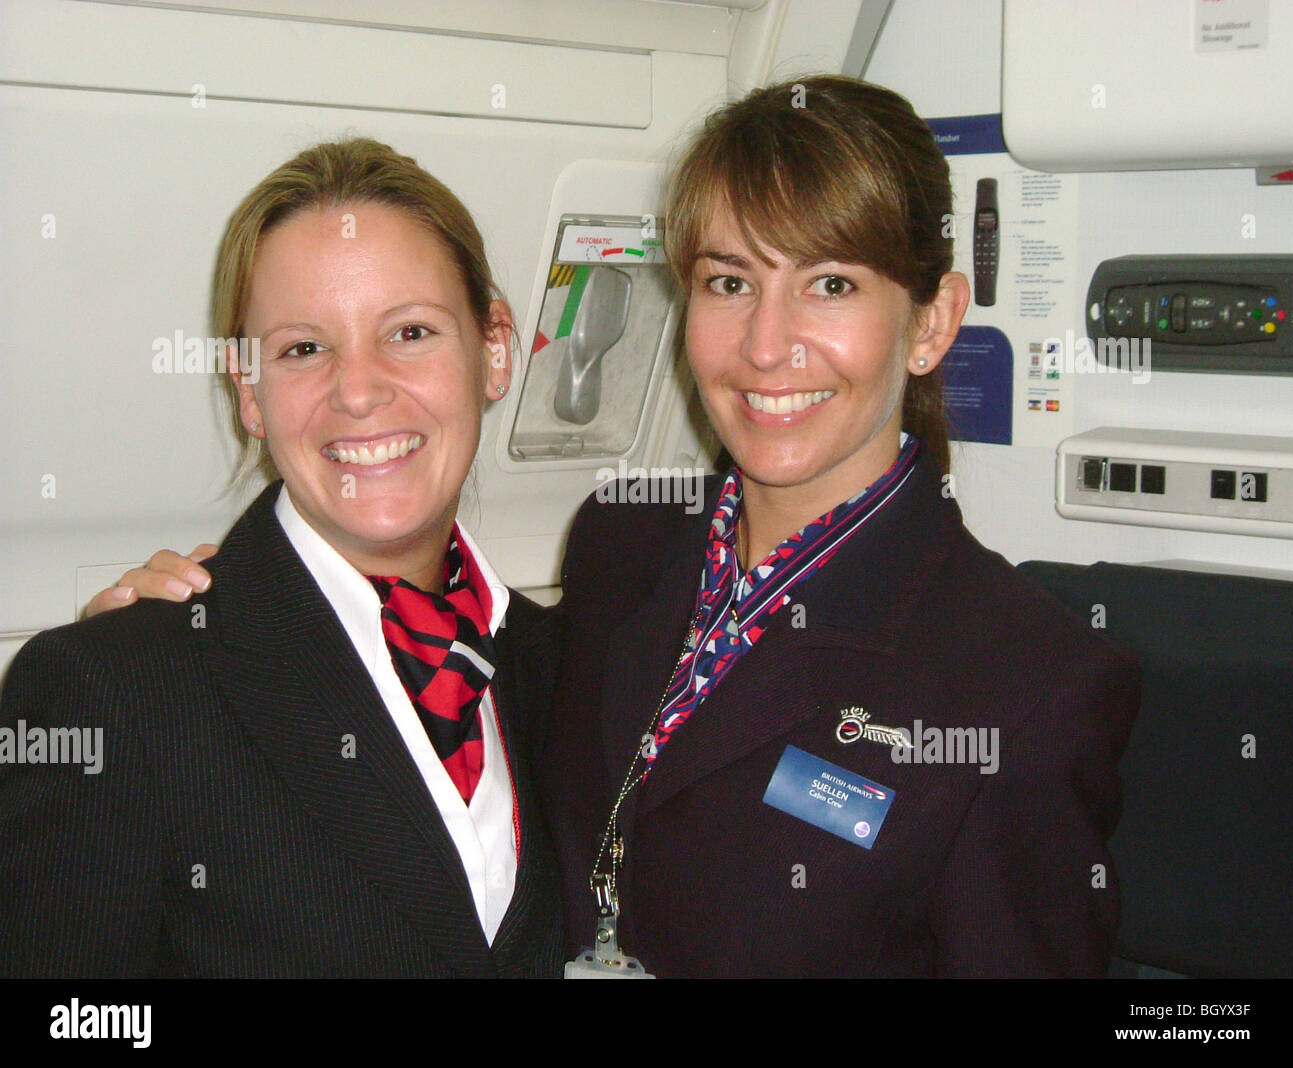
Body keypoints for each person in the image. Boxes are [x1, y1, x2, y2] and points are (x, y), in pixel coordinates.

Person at [82, 78, 1142, 979]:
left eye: (829, 284)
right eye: (729, 281)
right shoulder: (622, 548)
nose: (767, 347)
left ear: (932, 322)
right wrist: (174, 657)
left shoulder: (1024, 687)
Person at [0, 139, 563, 977]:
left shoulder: (561, 664)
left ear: (494, 349)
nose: (361, 391)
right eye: (304, 349)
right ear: (248, 392)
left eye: (410, 331)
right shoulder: (111, 691)